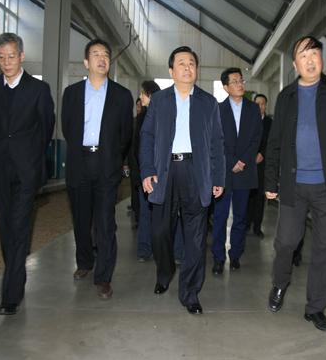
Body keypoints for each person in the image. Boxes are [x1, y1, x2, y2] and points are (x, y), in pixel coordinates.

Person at [264, 35, 326, 332]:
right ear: (295, 64)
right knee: (286, 243)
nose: (310, 60)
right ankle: (280, 282)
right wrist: (270, 180)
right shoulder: (286, 97)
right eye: (303, 55)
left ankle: (316, 309)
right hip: (293, 184)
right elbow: (274, 142)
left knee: (325, 250)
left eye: (314, 54)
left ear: (321, 59)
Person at [139, 46, 225, 315]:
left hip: (196, 172)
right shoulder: (159, 101)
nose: (187, 67)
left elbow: (217, 143)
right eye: (181, 63)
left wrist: (218, 177)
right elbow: (147, 137)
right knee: (159, 232)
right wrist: (147, 170)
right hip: (164, 172)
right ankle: (165, 272)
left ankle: (190, 293)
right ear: (171, 71)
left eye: (191, 63)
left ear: (196, 70)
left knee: (196, 238)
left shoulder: (208, 103)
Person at [0, 32, 55, 315]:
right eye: (1, 57)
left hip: (26, 171)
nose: (6, 62)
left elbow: (46, 128)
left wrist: (31, 158)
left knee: (20, 226)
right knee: (6, 230)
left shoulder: (38, 89)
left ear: (21, 56)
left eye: (11, 56)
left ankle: (10, 295)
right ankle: (16, 275)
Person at [61, 38, 133, 300]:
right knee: (81, 219)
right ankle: (85, 262)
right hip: (79, 162)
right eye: (96, 54)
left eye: (105, 55)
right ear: (86, 62)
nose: (102, 59)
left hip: (106, 164)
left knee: (105, 222)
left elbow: (126, 134)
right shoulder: (71, 93)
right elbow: (67, 127)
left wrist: (113, 157)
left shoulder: (121, 95)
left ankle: (104, 277)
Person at [211, 68, 262, 274]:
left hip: (245, 170)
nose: (240, 84)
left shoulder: (253, 109)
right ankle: (218, 257)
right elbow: (216, 140)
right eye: (234, 81)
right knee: (220, 216)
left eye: (241, 80)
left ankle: (235, 256)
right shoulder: (218, 109)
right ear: (225, 87)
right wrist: (232, 161)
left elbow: (256, 138)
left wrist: (243, 161)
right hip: (224, 171)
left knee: (240, 217)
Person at [133, 80, 161, 261]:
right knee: (145, 212)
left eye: (142, 93)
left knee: (160, 214)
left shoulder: (161, 116)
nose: (140, 97)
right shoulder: (141, 117)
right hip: (145, 173)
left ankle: (156, 249)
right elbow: (137, 148)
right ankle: (144, 248)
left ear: (149, 95)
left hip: (158, 172)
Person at [245, 93, 272, 239]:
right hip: (249, 164)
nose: (260, 106)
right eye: (257, 104)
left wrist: (263, 153)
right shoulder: (248, 121)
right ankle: (246, 224)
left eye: (262, 104)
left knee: (260, 198)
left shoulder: (270, 123)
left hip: (262, 165)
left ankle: (257, 227)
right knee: (248, 196)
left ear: (266, 106)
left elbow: (272, 142)